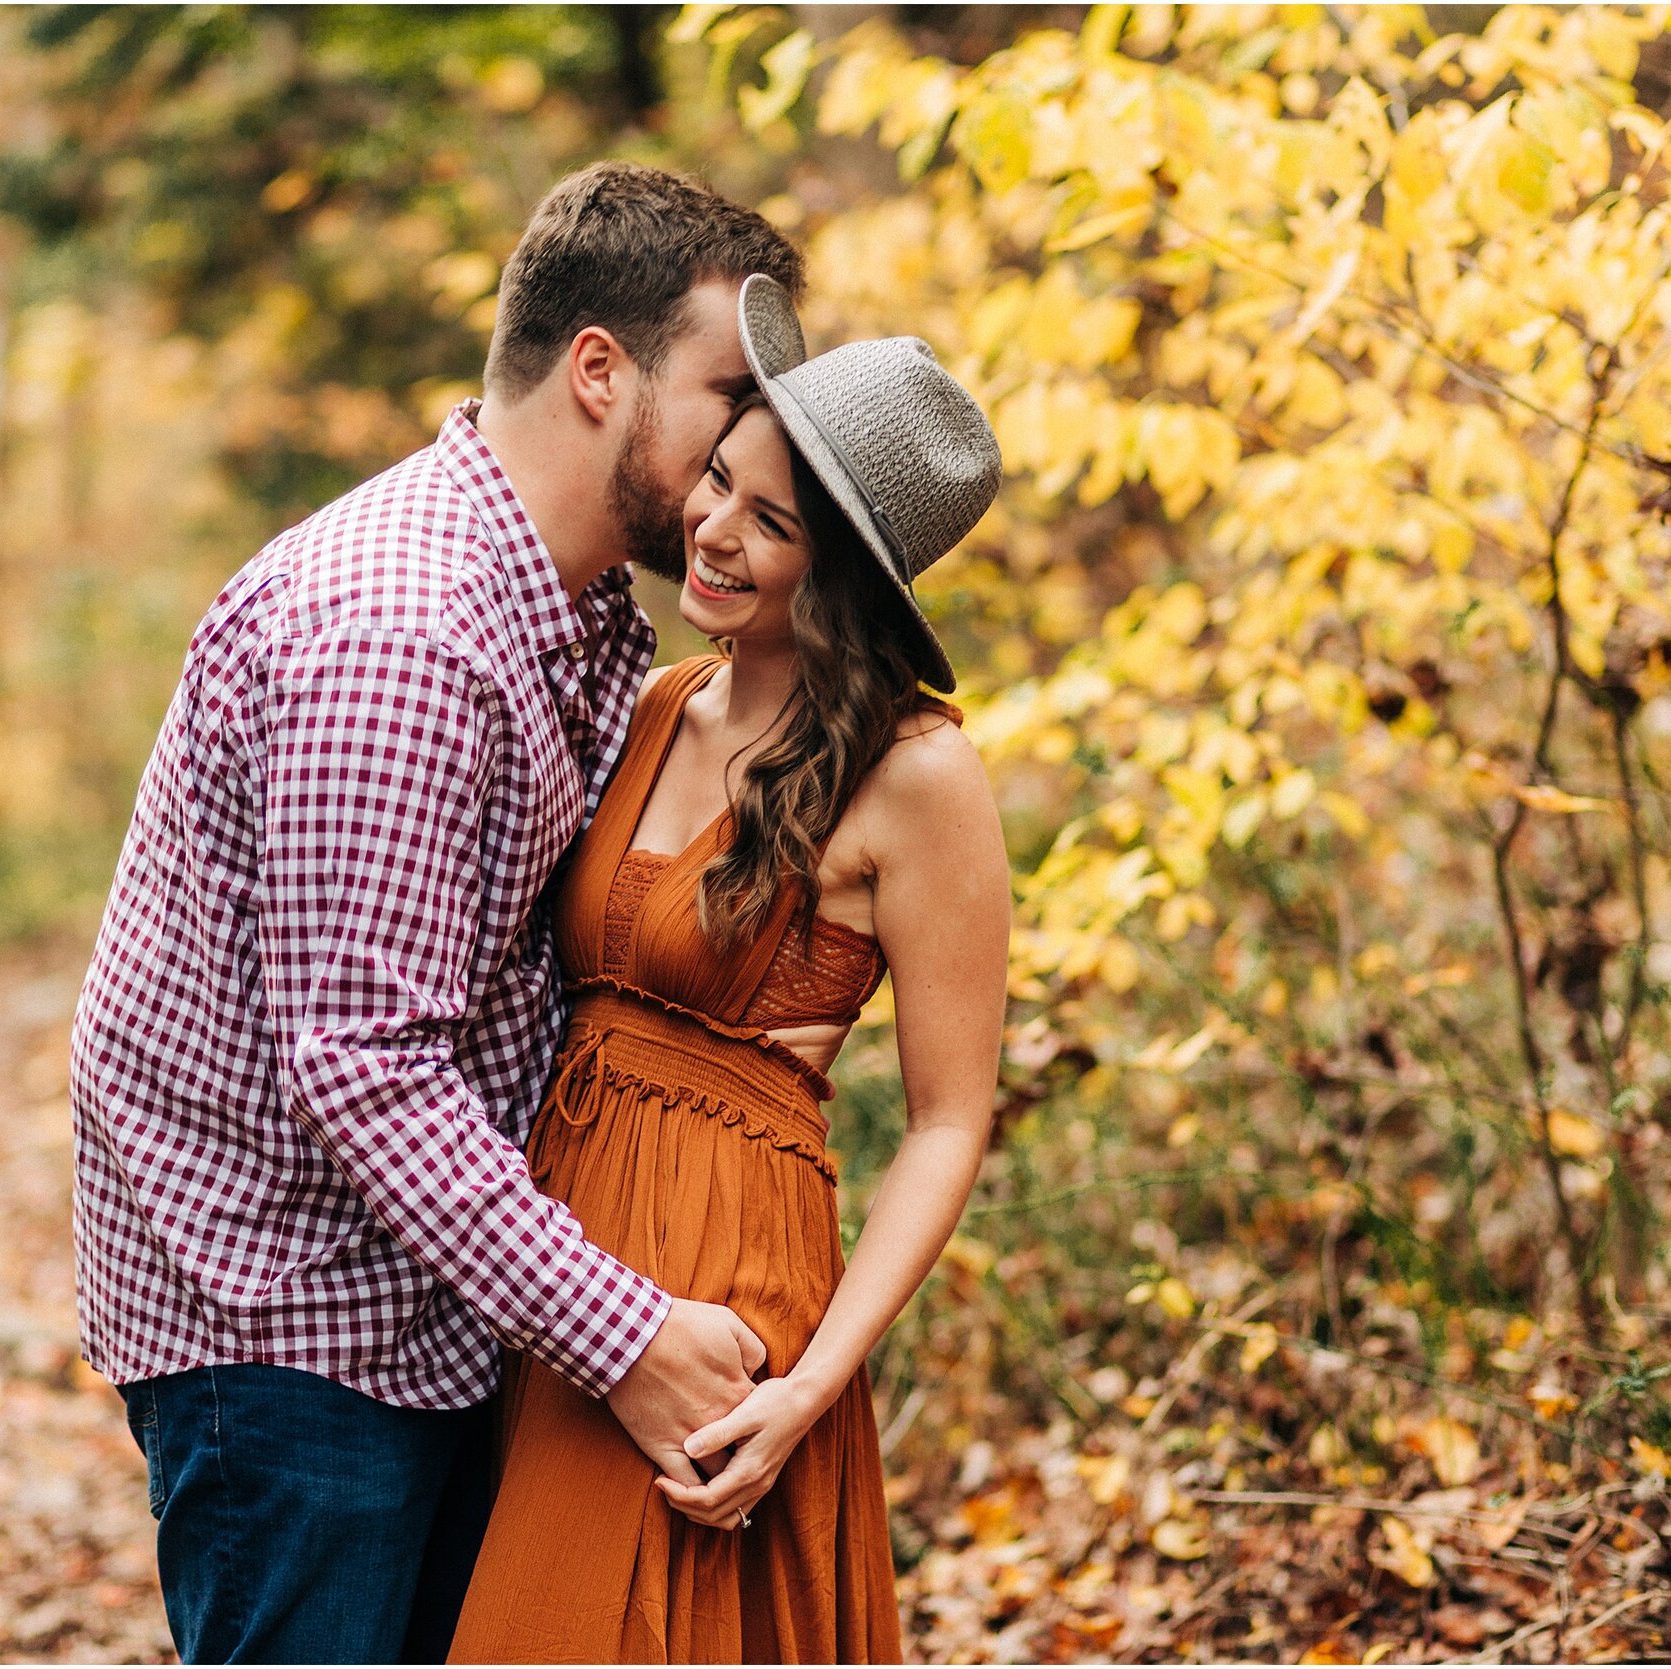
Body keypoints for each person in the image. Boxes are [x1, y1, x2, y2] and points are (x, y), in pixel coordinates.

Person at [68, 165, 806, 1664]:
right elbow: (366, 1061)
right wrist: (626, 1333)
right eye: (729, 389)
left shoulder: (583, 611)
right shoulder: (403, 630)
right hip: (287, 1317)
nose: (747, 441)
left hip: (437, 1301)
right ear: (599, 370)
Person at [447, 276, 1013, 1663]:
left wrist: (814, 1385)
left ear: (849, 577)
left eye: (773, 522)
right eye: (719, 481)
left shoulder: (917, 776)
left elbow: (950, 1119)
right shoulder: (656, 701)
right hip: (569, 1272)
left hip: (727, 1298)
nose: (712, 527)